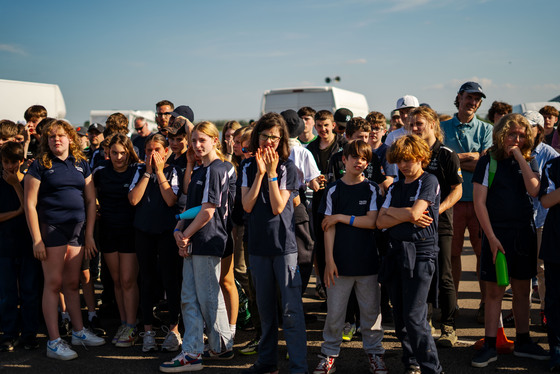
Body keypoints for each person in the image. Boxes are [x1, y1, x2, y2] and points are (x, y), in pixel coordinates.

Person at [24, 120, 105, 361]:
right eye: (51, 137)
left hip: (78, 231)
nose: (56, 140)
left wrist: (89, 234)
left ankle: (78, 332)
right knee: (53, 283)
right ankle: (54, 341)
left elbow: (91, 201)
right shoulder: (39, 165)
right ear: (46, 141)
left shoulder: (81, 164)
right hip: (52, 230)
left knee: (72, 282)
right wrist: (37, 239)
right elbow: (29, 204)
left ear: (70, 138)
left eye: (60, 136)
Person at [471, 113, 548, 367]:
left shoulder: (530, 160)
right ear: (501, 134)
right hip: (498, 233)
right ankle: (491, 345)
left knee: (522, 290)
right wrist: (491, 238)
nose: (516, 139)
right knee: (494, 291)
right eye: (512, 134)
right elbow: (479, 203)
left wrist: (519, 157)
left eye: (522, 135)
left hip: (524, 233)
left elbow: (535, 189)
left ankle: (524, 342)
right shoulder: (488, 161)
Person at [159, 121, 234, 372]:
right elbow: (190, 207)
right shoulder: (201, 170)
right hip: (193, 240)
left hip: (208, 239)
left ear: (215, 141)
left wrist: (185, 235)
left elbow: (208, 212)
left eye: (202, 140)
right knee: (189, 297)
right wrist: (179, 231)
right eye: (193, 141)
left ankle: (219, 346)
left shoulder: (219, 168)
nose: (197, 145)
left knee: (207, 297)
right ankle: (197, 350)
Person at [241, 112, 307, 374]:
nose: (269, 141)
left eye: (275, 137)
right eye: (265, 136)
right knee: (265, 311)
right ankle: (267, 362)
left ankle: (299, 366)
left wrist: (270, 174)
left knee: (291, 311)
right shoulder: (247, 167)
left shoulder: (288, 168)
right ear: (258, 136)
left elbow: (279, 206)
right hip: (258, 248)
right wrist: (259, 174)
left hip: (284, 248)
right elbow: (247, 205)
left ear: (282, 140)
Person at [313, 140, 386, 374]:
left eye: (364, 158)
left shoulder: (372, 188)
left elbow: (373, 222)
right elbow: (327, 226)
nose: (359, 162)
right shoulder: (333, 189)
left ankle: (375, 354)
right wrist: (329, 261)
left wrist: (342, 217)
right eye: (354, 157)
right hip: (339, 265)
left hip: (367, 263)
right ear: (344, 160)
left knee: (371, 315)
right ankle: (329, 355)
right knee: (334, 315)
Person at [376, 134, 443, 374]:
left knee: (415, 317)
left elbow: (416, 214)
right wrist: (404, 214)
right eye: (400, 161)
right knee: (401, 318)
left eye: (409, 160)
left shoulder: (429, 180)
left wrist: (393, 214)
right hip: (395, 254)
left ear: (421, 158)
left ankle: (432, 368)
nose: (404, 165)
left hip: (421, 255)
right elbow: (379, 221)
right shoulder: (395, 186)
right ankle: (411, 362)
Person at [408, 106, 463, 347]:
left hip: (439, 224)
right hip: (414, 224)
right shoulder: (411, 152)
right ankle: (425, 320)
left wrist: (435, 211)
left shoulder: (446, 154)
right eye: (412, 124)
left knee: (444, 274)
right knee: (420, 274)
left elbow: (457, 189)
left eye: (419, 123)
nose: (415, 128)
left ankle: (448, 326)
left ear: (432, 124)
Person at [440, 81, 493, 323]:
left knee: (483, 255)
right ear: (459, 97)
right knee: (453, 255)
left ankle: (484, 303)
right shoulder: (442, 128)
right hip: (452, 201)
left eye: (477, 99)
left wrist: (453, 160)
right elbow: (440, 162)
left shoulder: (486, 129)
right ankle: (453, 304)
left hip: (480, 201)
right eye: (469, 97)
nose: (472, 102)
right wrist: (469, 157)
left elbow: (486, 163)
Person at [128, 133, 183, 353]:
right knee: (147, 280)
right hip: (144, 232)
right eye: (149, 150)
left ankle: (174, 329)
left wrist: (159, 173)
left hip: (167, 233)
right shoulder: (139, 171)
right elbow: (133, 199)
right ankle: (148, 330)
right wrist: (148, 172)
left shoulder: (174, 171)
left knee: (171, 280)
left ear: (166, 151)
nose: (153, 154)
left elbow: (171, 199)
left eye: (157, 150)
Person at [92, 134, 141, 348]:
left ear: (129, 152)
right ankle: (124, 323)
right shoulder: (100, 172)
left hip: (130, 231)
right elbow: (89, 197)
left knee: (129, 280)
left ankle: (132, 325)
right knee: (118, 281)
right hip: (108, 231)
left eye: (122, 152)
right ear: (107, 153)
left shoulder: (137, 170)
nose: (118, 157)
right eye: (114, 153)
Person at [0, 142, 41, 352]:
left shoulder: (29, 181)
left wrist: (16, 185)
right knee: (7, 294)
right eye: (5, 162)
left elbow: (30, 208)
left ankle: (29, 334)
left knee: (29, 292)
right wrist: (17, 212)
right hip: (5, 247)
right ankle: (8, 333)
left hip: (27, 246)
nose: (9, 166)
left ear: (21, 162)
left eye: (13, 162)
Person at [524, 111, 559, 331]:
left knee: (542, 271)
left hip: (541, 220)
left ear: (539, 129)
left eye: (530, 127)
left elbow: (545, 196)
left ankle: (546, 311)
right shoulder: (514, 151)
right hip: (519, 219)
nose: (526, 131)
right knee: (520, 271)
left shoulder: (550, 155)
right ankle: (521, 310)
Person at [307, 110, 347, 298]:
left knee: (339, 244)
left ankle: (341, 289)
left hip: (341, 200)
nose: (322, 129)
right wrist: (311, 181)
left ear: (333, 125)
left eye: (326, 125)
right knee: (321, 245)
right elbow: (304, 175)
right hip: (319, 200)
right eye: (319, 126)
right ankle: (325, 287)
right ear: (315, 127)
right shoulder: (310, 148)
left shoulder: (344, 145)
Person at [538, 144, 560, 371]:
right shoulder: (553, 165)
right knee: (555, 301)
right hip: (556, 243)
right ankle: (556, 351)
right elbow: (545, 200)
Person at [366, 111, 398, 187]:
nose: (373, 132)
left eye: (377, 129)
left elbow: (389, 180)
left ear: (384, 132)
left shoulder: (387, 151)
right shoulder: (360, 149)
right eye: (370, 128)